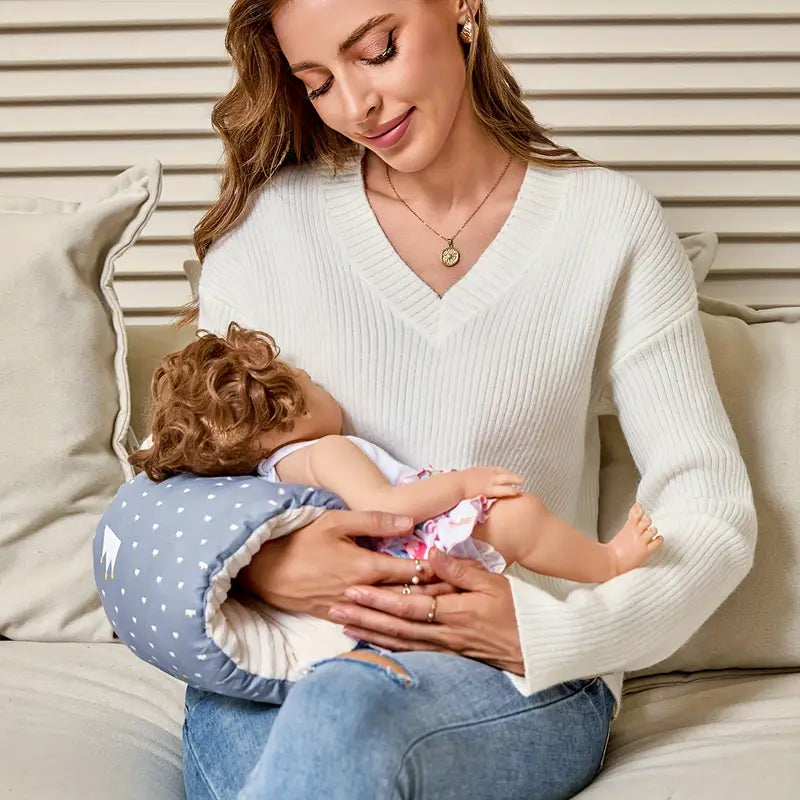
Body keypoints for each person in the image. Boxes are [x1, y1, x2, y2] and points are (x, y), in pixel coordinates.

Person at [171, 1, 757, 798]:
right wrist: (266, 571)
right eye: (316, 84)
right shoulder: (267, 235)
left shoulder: (607, 225)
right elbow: (183, 484)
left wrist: (549, 631)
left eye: (377, 50)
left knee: (342, 714)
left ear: (461, 7)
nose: (354, 105)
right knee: (329, 709)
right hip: (285, 659)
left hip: (516, 681)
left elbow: (710, 509)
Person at [132, 322, 664, 585]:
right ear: (286, 412)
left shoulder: (271, 471)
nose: (321, 385)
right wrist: (464, 484)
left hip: (397, 552)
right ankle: (607, 563)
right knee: (520, 518)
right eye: (309, 381)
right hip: (417, 537)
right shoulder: (326, 450)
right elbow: (387, 509)